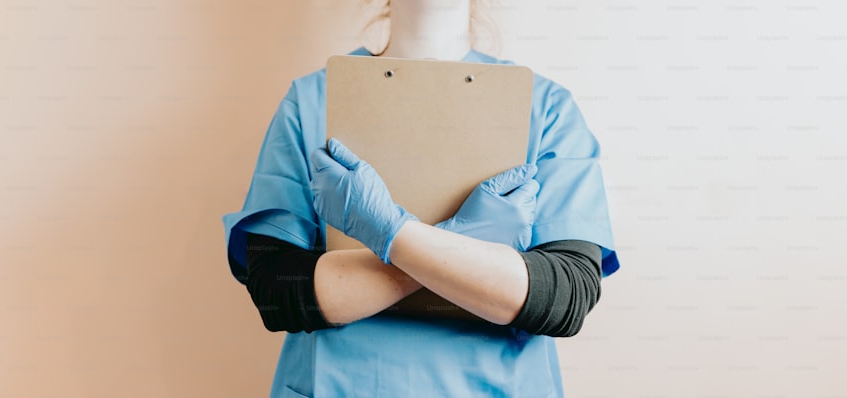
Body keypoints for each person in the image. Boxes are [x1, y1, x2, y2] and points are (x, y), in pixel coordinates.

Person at [221, 1, 620, 396]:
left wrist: (387, 230)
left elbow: (564, 297)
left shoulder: (545, 108)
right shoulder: (310, 101)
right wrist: (462, 239)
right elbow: (278, 291)